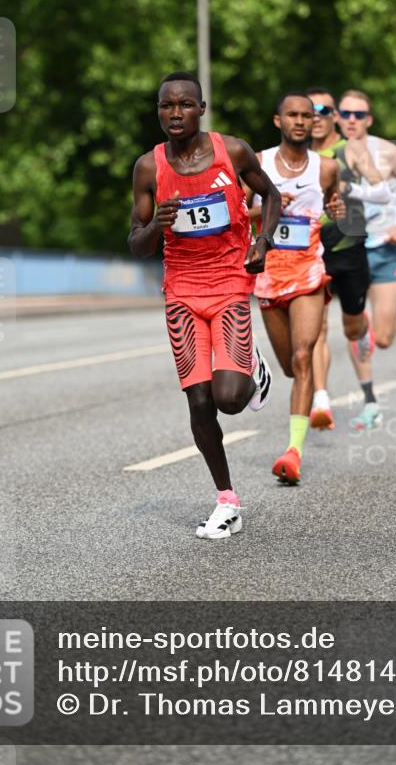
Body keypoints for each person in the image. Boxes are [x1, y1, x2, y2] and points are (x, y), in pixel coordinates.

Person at [128, 71, 281, 539]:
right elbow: (136, 242)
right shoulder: (148, 168)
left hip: (231, 283)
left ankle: (251, 370)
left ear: (201, 108)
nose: (175, 114)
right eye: (166, 107)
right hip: (181, 291)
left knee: (229, 400)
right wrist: (157, 225)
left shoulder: (232, 151)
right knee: (198, 402)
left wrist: (264, 240)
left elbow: (272, 195)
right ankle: (227, 501)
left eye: (184, 105)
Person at [245, 92, 339, 485]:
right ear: (277, 120)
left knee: (303, 358)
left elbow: (334, 206)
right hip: (268, 275)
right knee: (288, 367)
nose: (301, 121)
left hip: (308, 273)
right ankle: (262, 369)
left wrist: (339, 212)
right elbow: (236, 213)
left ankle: (293, 452)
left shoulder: (328, 168)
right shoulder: (259, 163)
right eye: (292, 115)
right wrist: (265, 208)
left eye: (307, 115)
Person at [337, 88, 396, 429]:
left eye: (358, 115)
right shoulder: (331, 155)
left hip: (386, 247)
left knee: (385, 337)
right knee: (355, 326)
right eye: (345, 113)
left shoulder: (387, 152)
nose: (351, 120)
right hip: (350, 248)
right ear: (336, 117)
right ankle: (370, 400)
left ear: (368, 119)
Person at [308, 87, 391, 430]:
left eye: (323, 109)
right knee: (316, 327)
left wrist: (350, 189)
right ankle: (321, 400)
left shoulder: (350, 150)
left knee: (352, 327)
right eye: (307, 110)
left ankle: (367, 390)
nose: (315, 116)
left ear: (334, 116)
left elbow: (383, 191)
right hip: (312, 250)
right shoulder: (295, 155)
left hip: (349, 248)